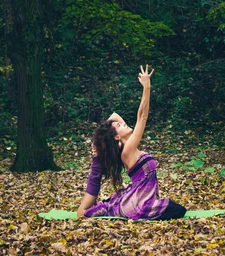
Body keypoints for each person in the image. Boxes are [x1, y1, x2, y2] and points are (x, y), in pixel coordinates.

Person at [76, 65, 187, 220]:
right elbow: (142, 117)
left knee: (176, 209)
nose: (123, 123)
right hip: (139, 204)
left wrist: (102, 137)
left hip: (139, 199)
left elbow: (114, 116)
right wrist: (146, 87)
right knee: (178, 210)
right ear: (116, 137)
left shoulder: (128, 144)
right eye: (120, 126)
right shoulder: (127, 150)